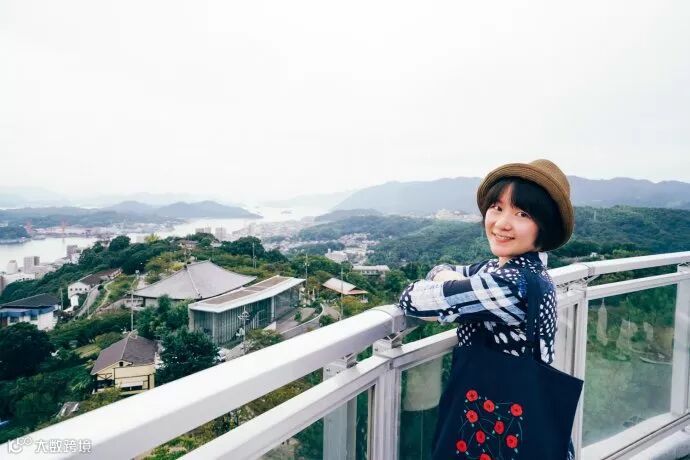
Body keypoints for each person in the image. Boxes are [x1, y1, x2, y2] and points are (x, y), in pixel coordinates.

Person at [398, 159, 576, 459]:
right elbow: (441, 269)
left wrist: (450, 284)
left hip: (505, 431)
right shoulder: (502, 269)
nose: (503, 223)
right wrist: (454, 282)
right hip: (513, 421)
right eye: (497, 207)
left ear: (544, 227)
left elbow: (412, 298)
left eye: (522, 214)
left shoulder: (511, 285)